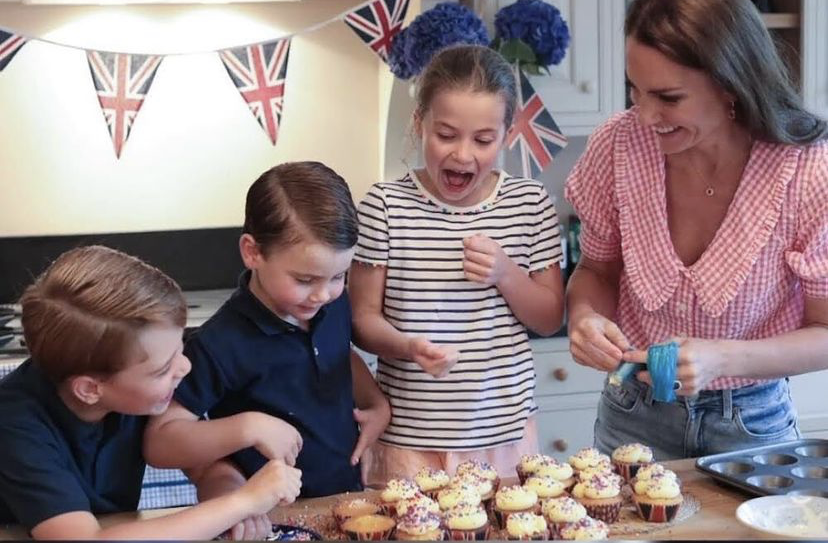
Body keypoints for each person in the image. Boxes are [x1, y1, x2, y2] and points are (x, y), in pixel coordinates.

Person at [565, 0, 828, 460]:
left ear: (732, 85)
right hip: (631, 409)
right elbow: (596, 270)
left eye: (668, 98)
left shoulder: (808, 172)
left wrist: (723, 358)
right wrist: (586, 317)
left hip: (751, 421)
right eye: (635, 91)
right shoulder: (617, 146)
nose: (646, 116)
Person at [349, 44, 566, 483]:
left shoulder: (530, 205)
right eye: (446, 135)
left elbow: (549, 318)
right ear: (419, 124)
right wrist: (409, 346)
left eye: (483, 140)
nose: (463, 155)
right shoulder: (385, 207)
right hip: (408, 441)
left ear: (506, 134)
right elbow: (361, 322)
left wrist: (506, 274)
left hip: (504, 437)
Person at [0, 245, 301, 540]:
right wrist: (242, 502)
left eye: (180, 348)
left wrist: (229, 497)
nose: (184, 367)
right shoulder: (15, 425)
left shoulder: (139, 393)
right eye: (162, 369)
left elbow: (204, 466)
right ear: (90, 389)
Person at [144, 161, 391, 500]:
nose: (323, 294)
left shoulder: (332, 305)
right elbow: (159, 441)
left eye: (338, 276)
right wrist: (247, 427)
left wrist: (375, 403)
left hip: (344, 500)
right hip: (271, 513)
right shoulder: (219, 343)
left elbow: (338, 355)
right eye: (304, 279)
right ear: (253, 252)